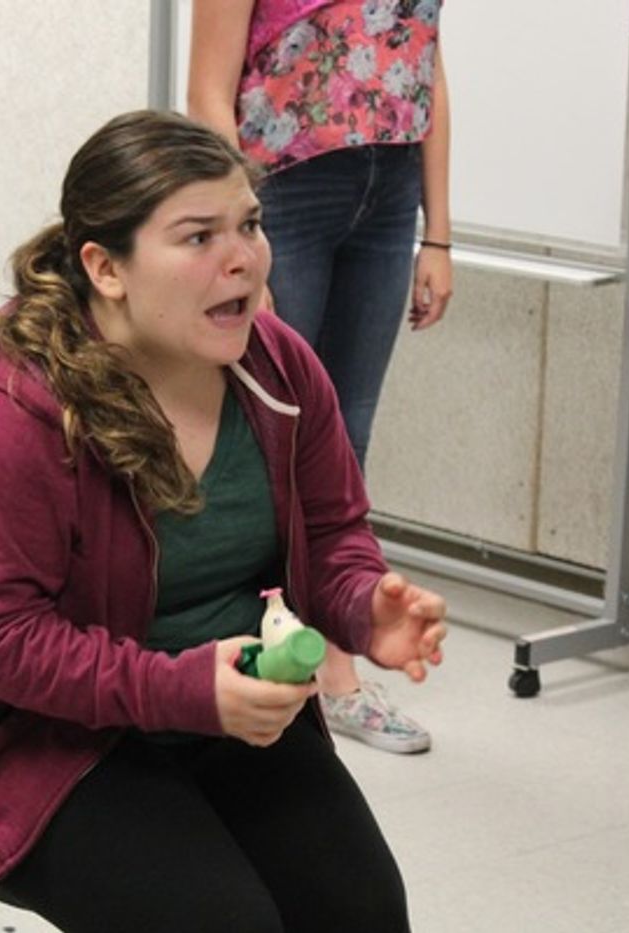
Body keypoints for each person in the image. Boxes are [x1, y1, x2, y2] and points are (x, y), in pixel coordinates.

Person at [0, 110, 446, 932]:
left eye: (249, 224)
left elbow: (333, 534)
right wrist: (181, 690)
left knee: (362, 912)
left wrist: (365, 605)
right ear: (105, 268)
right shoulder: (10, 416)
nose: (243, 257)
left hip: (224, 706)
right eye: (198, 237)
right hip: (51, 737)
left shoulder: (279, 366)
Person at [188, 0, 454, 755]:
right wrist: (240, 241)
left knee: (346, 435)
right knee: (258, 429)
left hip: (390, 189)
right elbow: (207, 92)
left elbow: (427, 64)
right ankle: (233, 649)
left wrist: (438, 233)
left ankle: (335, 668)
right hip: (285, 189)